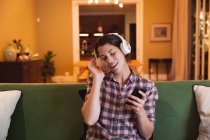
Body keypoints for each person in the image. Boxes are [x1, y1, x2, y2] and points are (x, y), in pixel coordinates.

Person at [81, 33, 158, 140]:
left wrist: (140, 111)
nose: (109, 60)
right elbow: (89, 119)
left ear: (124, 50)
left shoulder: (147, 86)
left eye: (112, 53)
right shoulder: (96, 80)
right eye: (103, 58)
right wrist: (97, 80)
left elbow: (147, 135)